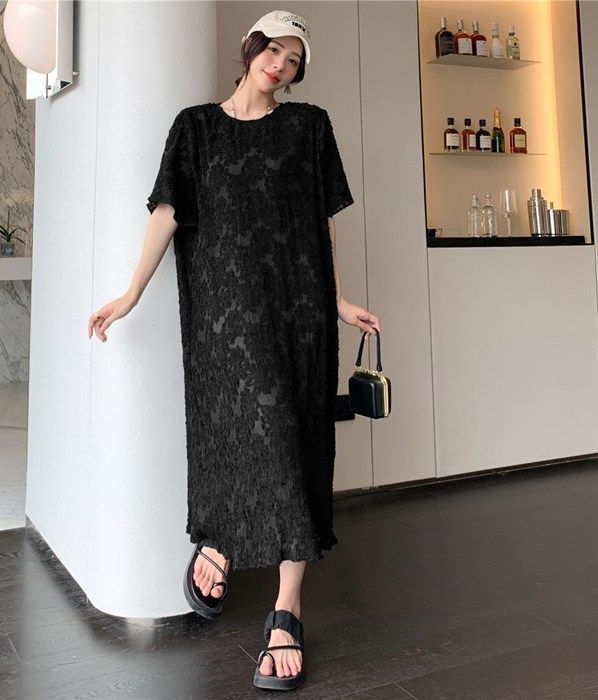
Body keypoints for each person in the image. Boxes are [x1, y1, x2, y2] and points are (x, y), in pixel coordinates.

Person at [87, 9, 381, 691]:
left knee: (295, 442)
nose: (280, 66)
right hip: (221, 317)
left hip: (299, 310)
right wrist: (130, 292)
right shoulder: (194, 128)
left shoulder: (309, 128)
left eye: (294, 60)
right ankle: (218, 537)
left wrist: (338, 299)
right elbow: (167, 213)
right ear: (250, 49)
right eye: (273, 50)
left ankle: (288, 605)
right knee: (229, 433)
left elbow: (323, 223)